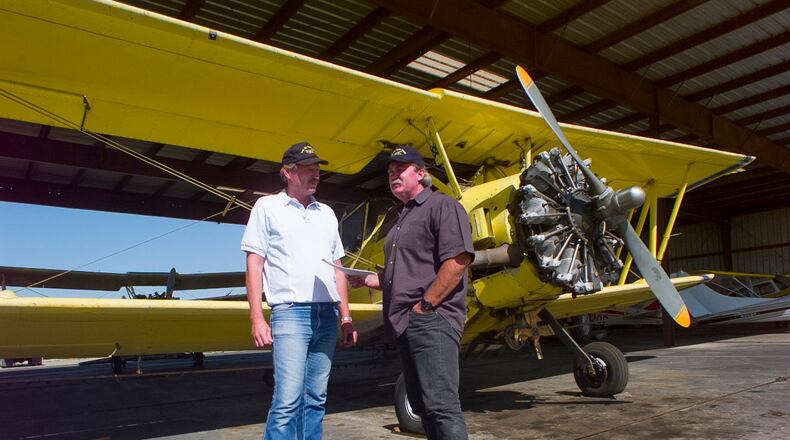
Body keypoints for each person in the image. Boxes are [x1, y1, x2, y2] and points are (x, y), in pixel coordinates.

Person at [350, 145, 474, 439]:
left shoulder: (443, 206)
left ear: (420, 173)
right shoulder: (400, 218)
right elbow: (407, 273)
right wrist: (370, 280)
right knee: (423, 405)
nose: (393, 175)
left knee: (442, 406)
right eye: (390, 172)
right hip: (406, 323)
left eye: (400, 169)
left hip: (432, 319)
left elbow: (458, 261)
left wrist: (426, 306)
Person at [242, 141, 357, 440]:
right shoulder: (267, 207)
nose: (316, 175)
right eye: (309, 169)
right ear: (287, 173)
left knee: (315, 399)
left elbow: (337, 268)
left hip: (327, 314)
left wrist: (345, 316)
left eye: (318, 169)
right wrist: (257, 317)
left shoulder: (327, 214)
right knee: (287, 400)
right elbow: (254, 264)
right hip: (290, 313)